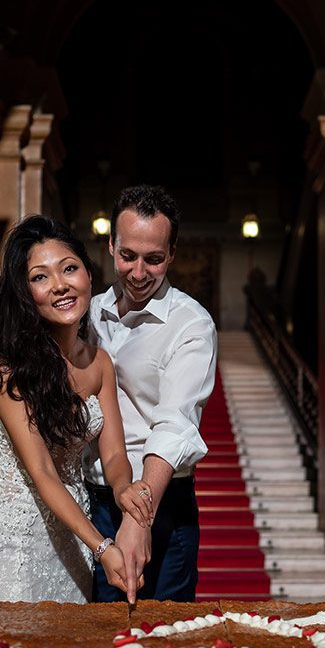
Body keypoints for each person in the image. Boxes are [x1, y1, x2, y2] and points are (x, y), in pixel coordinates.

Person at [0, 215, 153, 603]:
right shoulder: (2, 364)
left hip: (73, 526)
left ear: (88, 273)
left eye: (69, 268)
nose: (60, 286)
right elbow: (41, 470)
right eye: (40, 277)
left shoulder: (100, 363)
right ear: (24, 291)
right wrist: (102, 547)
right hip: (12, 531)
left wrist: (123, 489)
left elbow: (116, 453)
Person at [85, 185, 217, 602]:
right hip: (90, 501)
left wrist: (139, 517)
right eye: (128, 256)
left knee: (161, 645)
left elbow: (174, 423)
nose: (139, 273)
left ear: (172, 253)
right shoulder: (84, 313)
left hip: (161, 505)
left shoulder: (191, 324)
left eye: (154, 259)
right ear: (110, 245)